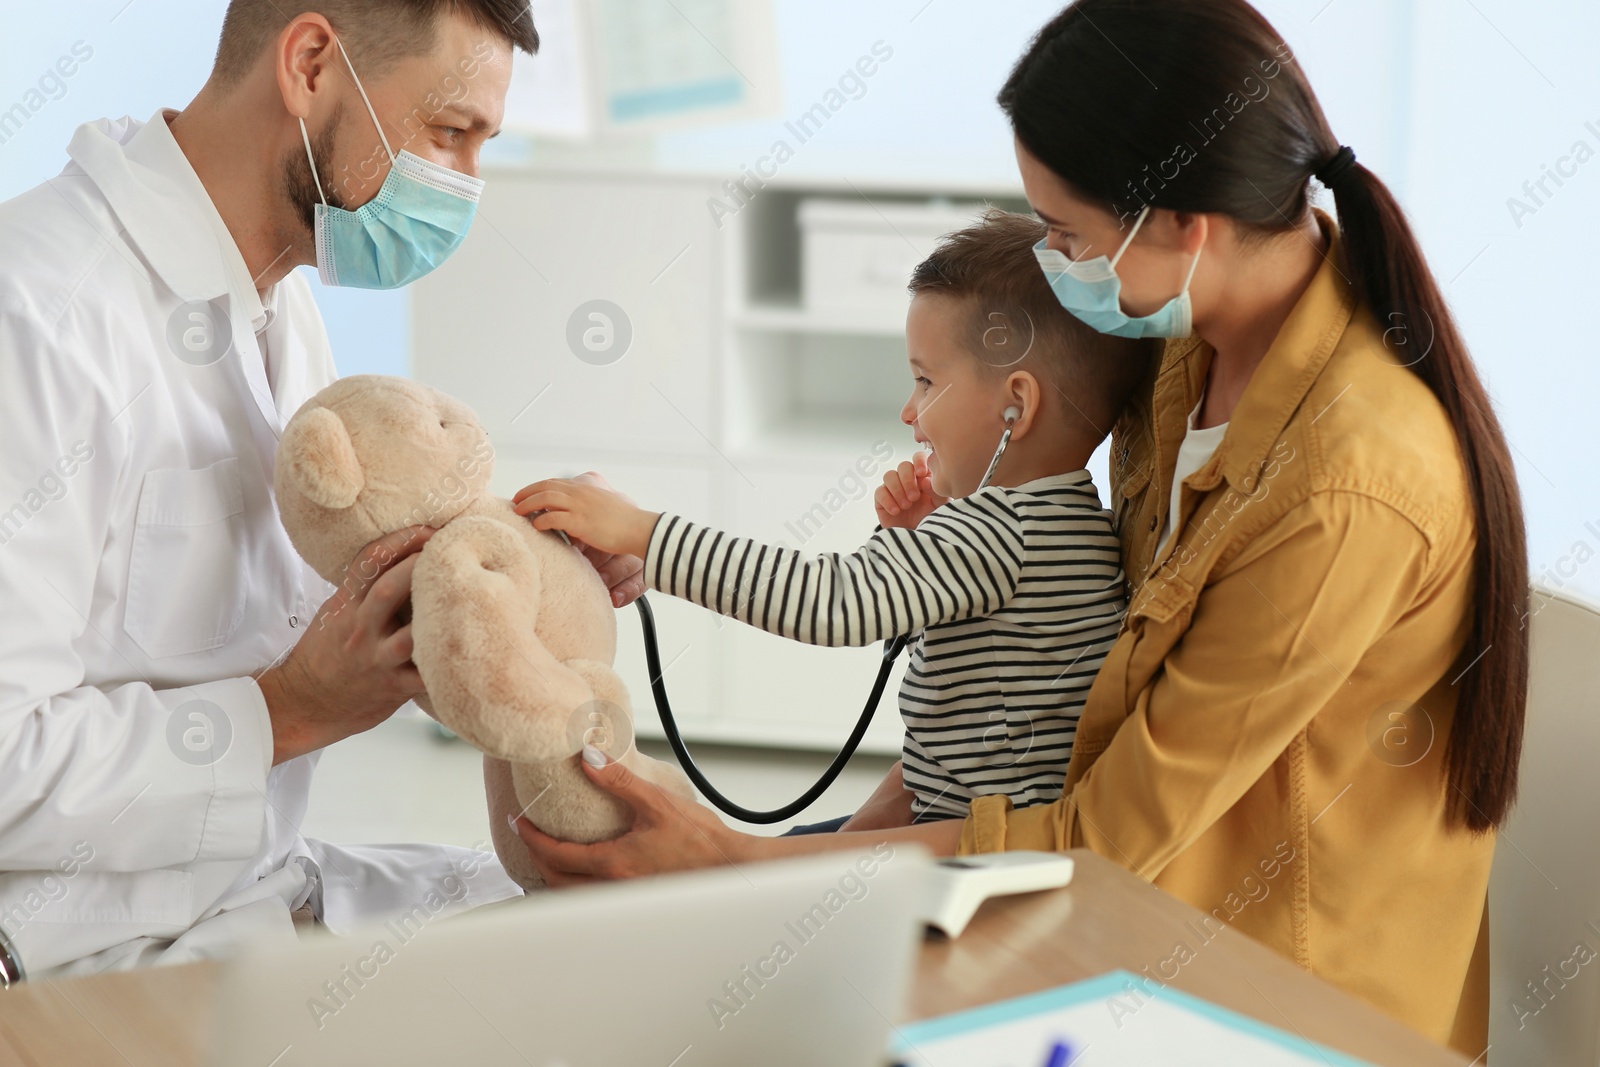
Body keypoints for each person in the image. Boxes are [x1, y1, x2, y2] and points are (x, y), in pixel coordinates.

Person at [509, 0, 1528, 1053]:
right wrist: (796, 850)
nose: (1051, 261)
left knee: (719, 974)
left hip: (1255, 972)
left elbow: (1105, 839)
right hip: (1090, 865)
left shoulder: (1346, 484)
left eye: (1068, 233)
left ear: (1187, 223)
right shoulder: (1185, 354)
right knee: (666, 934)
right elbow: (1047, 682)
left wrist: (741, 860)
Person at [0, 0, 645, 982]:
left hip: (250, 888)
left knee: (630, 947)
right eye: (448, 134)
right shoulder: (36, 315)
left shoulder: (276, 301)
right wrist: (291, 707)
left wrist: (509, 584)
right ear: (309, 65)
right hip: (76, 953)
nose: (463, 185)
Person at [516, 210, 1155, 834]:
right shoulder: (1067, 521)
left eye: (927, 382)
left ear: (1016, 407)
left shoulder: (1000, 532)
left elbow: (829, 601)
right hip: (955, 822)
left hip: (970, 852)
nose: (911, 412)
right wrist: (909, 545)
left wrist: (642, 533)